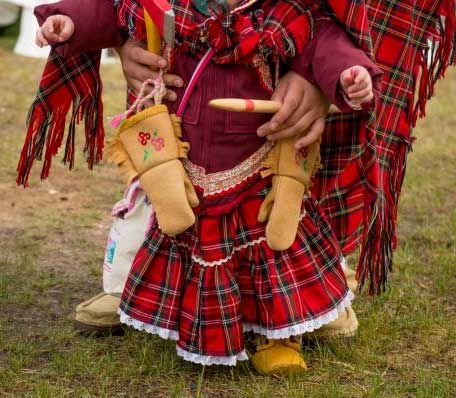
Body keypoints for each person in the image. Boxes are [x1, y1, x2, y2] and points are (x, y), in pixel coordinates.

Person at [19, 0, 385, 375]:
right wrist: (69, 22)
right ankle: (145, 299)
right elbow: (109, 9)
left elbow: (326, 41)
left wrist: (349, 73)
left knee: (274, 240)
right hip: (180, 156)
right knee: (176, 222)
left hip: (259, 161)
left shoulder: (287, 13)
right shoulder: (163, 4)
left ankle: (290, 324)